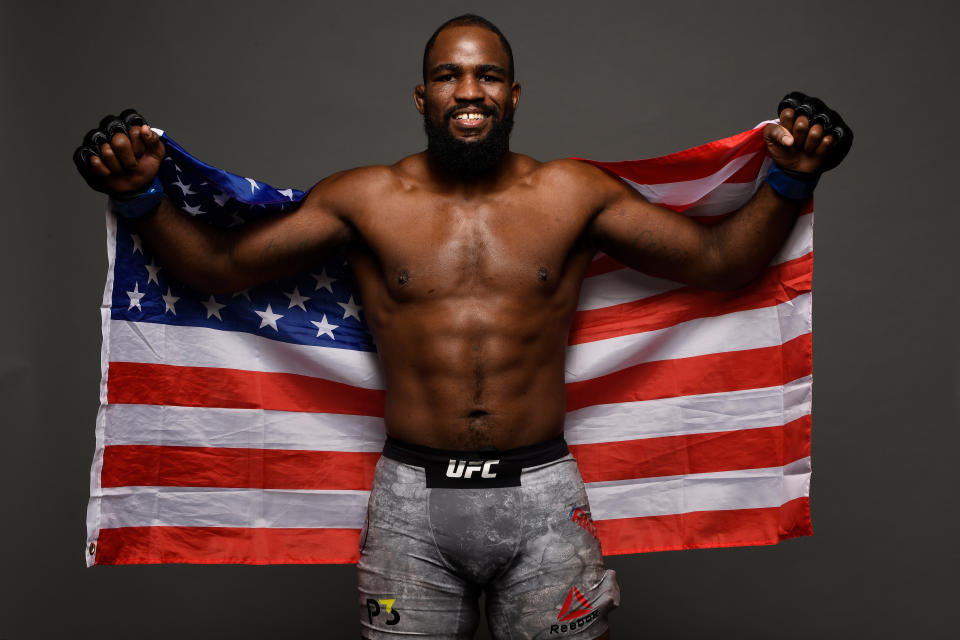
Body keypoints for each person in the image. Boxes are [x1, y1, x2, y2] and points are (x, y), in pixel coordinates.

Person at [73, 14, 850, 640]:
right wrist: (143, 198)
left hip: (543, 496)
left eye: (486, 75)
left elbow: (718, 260)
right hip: (412, 501)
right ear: (422, 96)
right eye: (448, 75)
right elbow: (217, 268)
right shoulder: (368, 198)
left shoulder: (574, 194)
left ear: (515, 94)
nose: (467, 90)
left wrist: (790, 180)